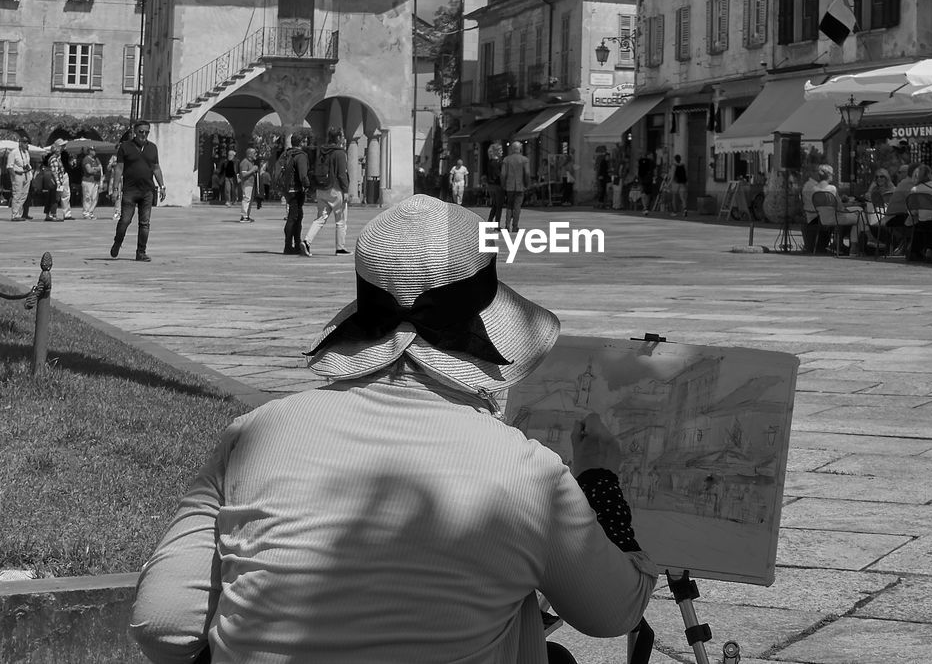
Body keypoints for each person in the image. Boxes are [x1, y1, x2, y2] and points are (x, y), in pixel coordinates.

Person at [129, 195, 657, 664]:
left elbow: (165, 626)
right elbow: (614, 614)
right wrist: (599, 482)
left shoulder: (257, 434)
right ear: (484, 345)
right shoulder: (526, 471)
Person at [111, 121, 165, 262]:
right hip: (130, 190)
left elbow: (156, 168)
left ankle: (141, 252)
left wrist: (162, 186)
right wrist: (115, 189)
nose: (144, 134)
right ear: (135, 132)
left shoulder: (152, 148)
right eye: (141, 131)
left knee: (145, 223)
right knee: (125, 220)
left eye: (146, 132)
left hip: (147, 191)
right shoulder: (125, 147)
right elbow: (119, 168)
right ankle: (118, 242)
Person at [303, 128, 351, 257]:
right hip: (335, 190)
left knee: (320, 218)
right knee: (340, 220)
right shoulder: (339, 153)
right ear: (339, 138)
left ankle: (307, 241)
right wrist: (345, 190)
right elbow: (342, 174)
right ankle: (340, 248)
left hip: (321, 188)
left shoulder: (322, 151)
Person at [278, 134, 310, 255]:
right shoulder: (300, 156)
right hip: (296, 190)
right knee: (294, 217)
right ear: (301, 142)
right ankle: (288, 246)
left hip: (287, 189)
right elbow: (303, 174)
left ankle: (296, 243)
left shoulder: (286, 153)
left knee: (297, 216)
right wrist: (307, 185)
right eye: (305, 140)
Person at [501, 140, 531, 231]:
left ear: (512, 149)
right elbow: (527, 172)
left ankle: (507, 225)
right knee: (517, 206)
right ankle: (515, 226)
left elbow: (503, 174)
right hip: (520, 186)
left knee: (509, 205)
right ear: (520, 149)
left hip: (509, 186)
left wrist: (503, 184)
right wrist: (527, 184)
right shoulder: (524, 160)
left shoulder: (506, 159)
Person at [44, 140, 73, 221]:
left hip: (56, 181)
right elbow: (55, 172)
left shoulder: (57, 158)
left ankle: (49, 215)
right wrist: (58, 183)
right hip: (56, 181)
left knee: (52, 197)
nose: (60, 150)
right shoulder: (54, 159)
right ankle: (53, 215)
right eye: (59, 148)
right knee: (54, 198)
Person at [8, 136, 33, 222]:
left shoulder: (26, 153)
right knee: (17, 195)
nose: (26, 144)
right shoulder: (14, 153)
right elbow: (9, 166)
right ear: (20, 143)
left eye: (27, 142)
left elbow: (28, 163)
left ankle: (19, 213)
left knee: (24, 195)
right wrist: (14, 177)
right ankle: (15, 215)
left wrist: (30, 172)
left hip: (26, 174)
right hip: (17, 175)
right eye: (24, 142)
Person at [238, 147, 261, 223]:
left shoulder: (251, 162)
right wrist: (253, 170)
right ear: (249, 154)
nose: (256, 155)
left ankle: (247, 215)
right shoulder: (245, 162)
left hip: (251, 183)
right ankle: (244, 216)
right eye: (254, 153)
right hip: (247, 183)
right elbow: (243, 174)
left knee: (249, 200)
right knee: (246, 199)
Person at [80, 150, 103, 219]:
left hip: (95, 180)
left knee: (95, 197)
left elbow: (100, 167)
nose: (95, 151)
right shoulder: (86, 159)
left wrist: (94, 168)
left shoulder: (96, 159)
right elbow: (89, 170)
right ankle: (86, 213)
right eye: (93, 150)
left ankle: (91, 212)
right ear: (89, 151)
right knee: (87, 197)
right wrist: (96, 169)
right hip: (88, 181)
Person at [485, 143, 504, 223]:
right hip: (497, 186)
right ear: (496, 152)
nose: (502, 152)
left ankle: (489, 221)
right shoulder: (498, 162)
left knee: (495, 205)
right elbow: (499, 175)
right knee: (499, 205)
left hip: (490, 186)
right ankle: (497, 224)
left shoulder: (489, 162)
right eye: (500, 150)